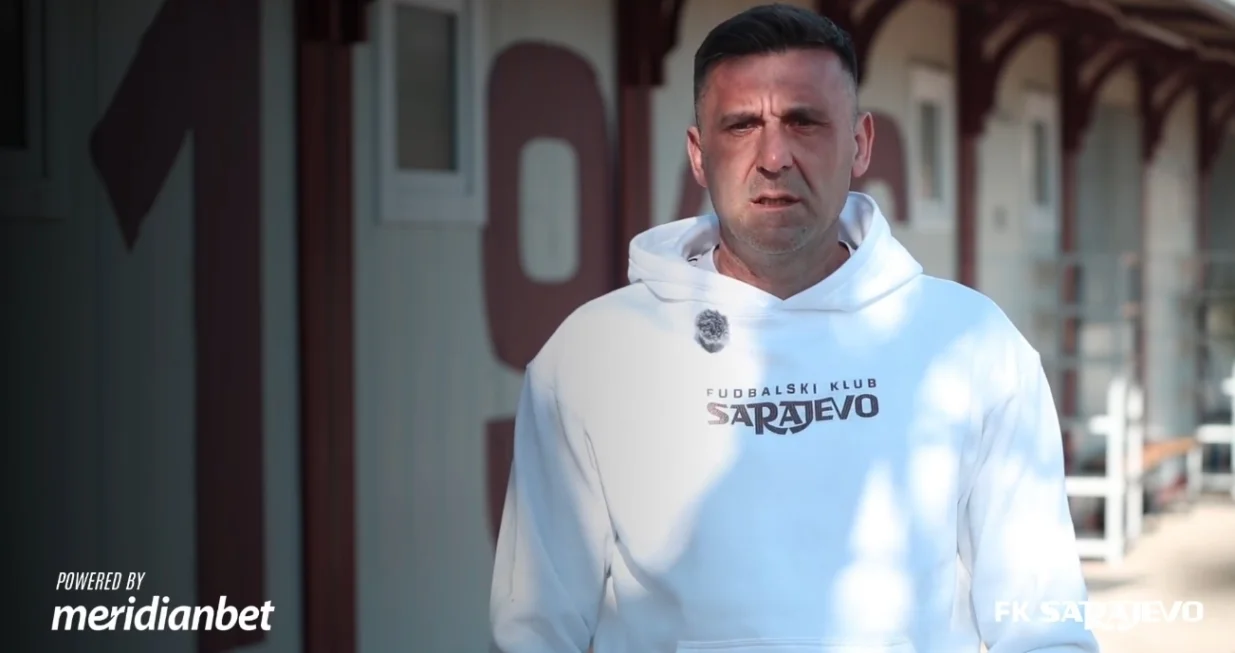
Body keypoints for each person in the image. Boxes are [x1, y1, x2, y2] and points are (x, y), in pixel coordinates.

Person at [490, 4, 1099, 653]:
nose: (773, 156)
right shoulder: (593, 358)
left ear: (860, 143)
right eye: (741, 125)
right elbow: (535, 629)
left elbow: (1042, 622)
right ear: (698, 153)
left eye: (804, 122)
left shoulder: (971, 344)